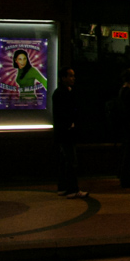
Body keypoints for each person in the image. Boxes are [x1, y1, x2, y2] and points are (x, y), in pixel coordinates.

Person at [52, 66, 87, 199]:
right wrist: (70, 124)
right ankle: (73, 189)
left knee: (64, 161)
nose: (73, 78)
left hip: (63, 132)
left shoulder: (59, 92)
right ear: (63, 78)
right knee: (71, 161)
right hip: (67, 132)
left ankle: (63, 187)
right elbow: (66, 113)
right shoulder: (63, 93)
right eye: (70, 76)